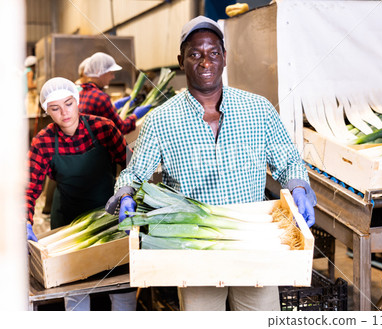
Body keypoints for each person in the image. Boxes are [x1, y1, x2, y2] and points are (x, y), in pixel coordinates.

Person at [105, 15, 317, 311]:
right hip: (194, 250)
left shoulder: (258, 109)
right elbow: (135, 172)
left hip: (254, 246)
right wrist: (125, 192)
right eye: (195, 54)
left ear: (225, 58)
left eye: (213, 53)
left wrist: (298, 187)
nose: (206, 62)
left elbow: (288, 160)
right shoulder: (161, 120)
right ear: (181, 60)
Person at [26, 77, 136, 311]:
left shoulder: (103, 128)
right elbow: (30, 187)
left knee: (123, 286)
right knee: (75, 289)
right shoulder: (43, 141)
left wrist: (129, 194)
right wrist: (23, 220)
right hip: (69, 221)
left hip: (111, 217)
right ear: (48, 111)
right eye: (55, 108)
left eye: (68, 103)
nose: (64, 113)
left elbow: (131, 165)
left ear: (77, 101)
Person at [78, 52, 151, 135]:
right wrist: (135, 116)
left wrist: (114, 107)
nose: (113, 77)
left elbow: (97, 114)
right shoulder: (100, 97)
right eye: (111, 73)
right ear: (100, 72)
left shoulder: (82, 93)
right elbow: (121, 129)